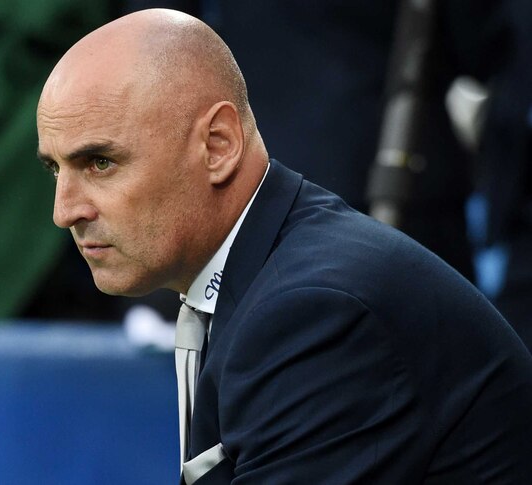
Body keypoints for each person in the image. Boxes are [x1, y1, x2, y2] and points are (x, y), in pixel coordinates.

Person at [35, 8, 532, 485]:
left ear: (218, 146)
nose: (65, 211)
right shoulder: (262, 274)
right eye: (55, 170)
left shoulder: (315, 311)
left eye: (99, 163)